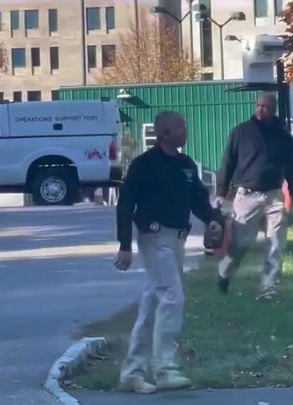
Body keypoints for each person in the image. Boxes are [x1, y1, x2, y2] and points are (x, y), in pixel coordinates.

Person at [113, 111, 223, 394]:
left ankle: (132, 373)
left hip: (177, 240)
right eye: (179, 126)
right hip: (154, 238)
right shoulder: (144, 165)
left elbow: (197, 199)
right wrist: (125, 245)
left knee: (152, 306)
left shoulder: (186, 165)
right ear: (164, 133)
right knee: (172, 297)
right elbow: (125, 205)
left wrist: (211, 218)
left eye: (184, 125)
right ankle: (165, 369)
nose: (185, 130)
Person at [214, 92, 293, 301]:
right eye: (258, 106)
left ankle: (269, 289)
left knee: (275, 243)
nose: (260, 109)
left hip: (273, 195)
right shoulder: (241, 132)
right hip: (246, 195)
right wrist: (221, 193)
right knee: (240, 244)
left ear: (273, 109)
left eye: (265, 107)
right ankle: (225, 274)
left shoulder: (282, 137)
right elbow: (228, 162)